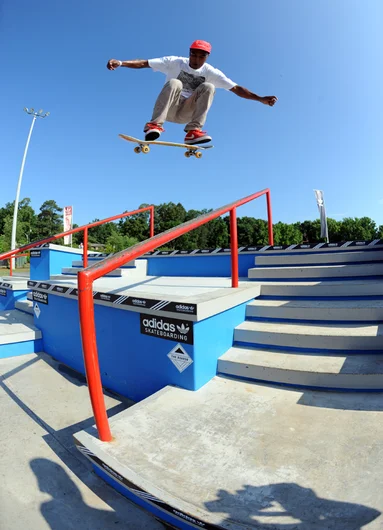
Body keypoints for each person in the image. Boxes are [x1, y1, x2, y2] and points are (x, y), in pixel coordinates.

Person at [107, 40, 277, 145]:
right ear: (189, 53)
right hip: (168, 109)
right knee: (175, 82)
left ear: (207, 57)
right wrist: (121, 62)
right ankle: (154, 125)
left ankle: (193, 132)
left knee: (209, 87)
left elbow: (236, 88)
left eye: (200, 57)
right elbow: (144, 63)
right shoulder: (175, 62)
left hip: (187, 113)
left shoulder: (212, 72)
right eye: (193, 55)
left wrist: (260, 99)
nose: (195, 60)